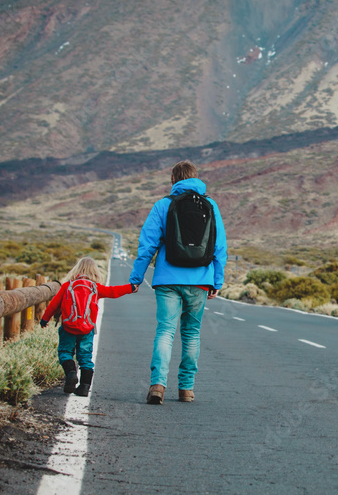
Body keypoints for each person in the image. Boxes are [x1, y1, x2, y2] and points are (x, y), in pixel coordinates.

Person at [129, 160, 227, 404]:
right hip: (200, 280)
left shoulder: (163, 205)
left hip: (167, 280)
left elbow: (147, 246)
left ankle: (158, 386)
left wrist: (136, 278)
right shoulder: (211, 205)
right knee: (191, 334)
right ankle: (186, 389)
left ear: (173, 180)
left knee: (165, 331)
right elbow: (220, 247)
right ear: (195, 178)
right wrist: (217, 280)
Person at [40, 257, 137, 396]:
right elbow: (113, 291)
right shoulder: (95, 288)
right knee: (85, 356)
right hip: (87, 329)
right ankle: (84, 387)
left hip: (68, 327)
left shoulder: (67, 285)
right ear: (95, 272)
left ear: (77, 269)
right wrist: (131, 287)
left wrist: (45, 319)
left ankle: (71, 373)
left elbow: (53, 305)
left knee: (65, 352)